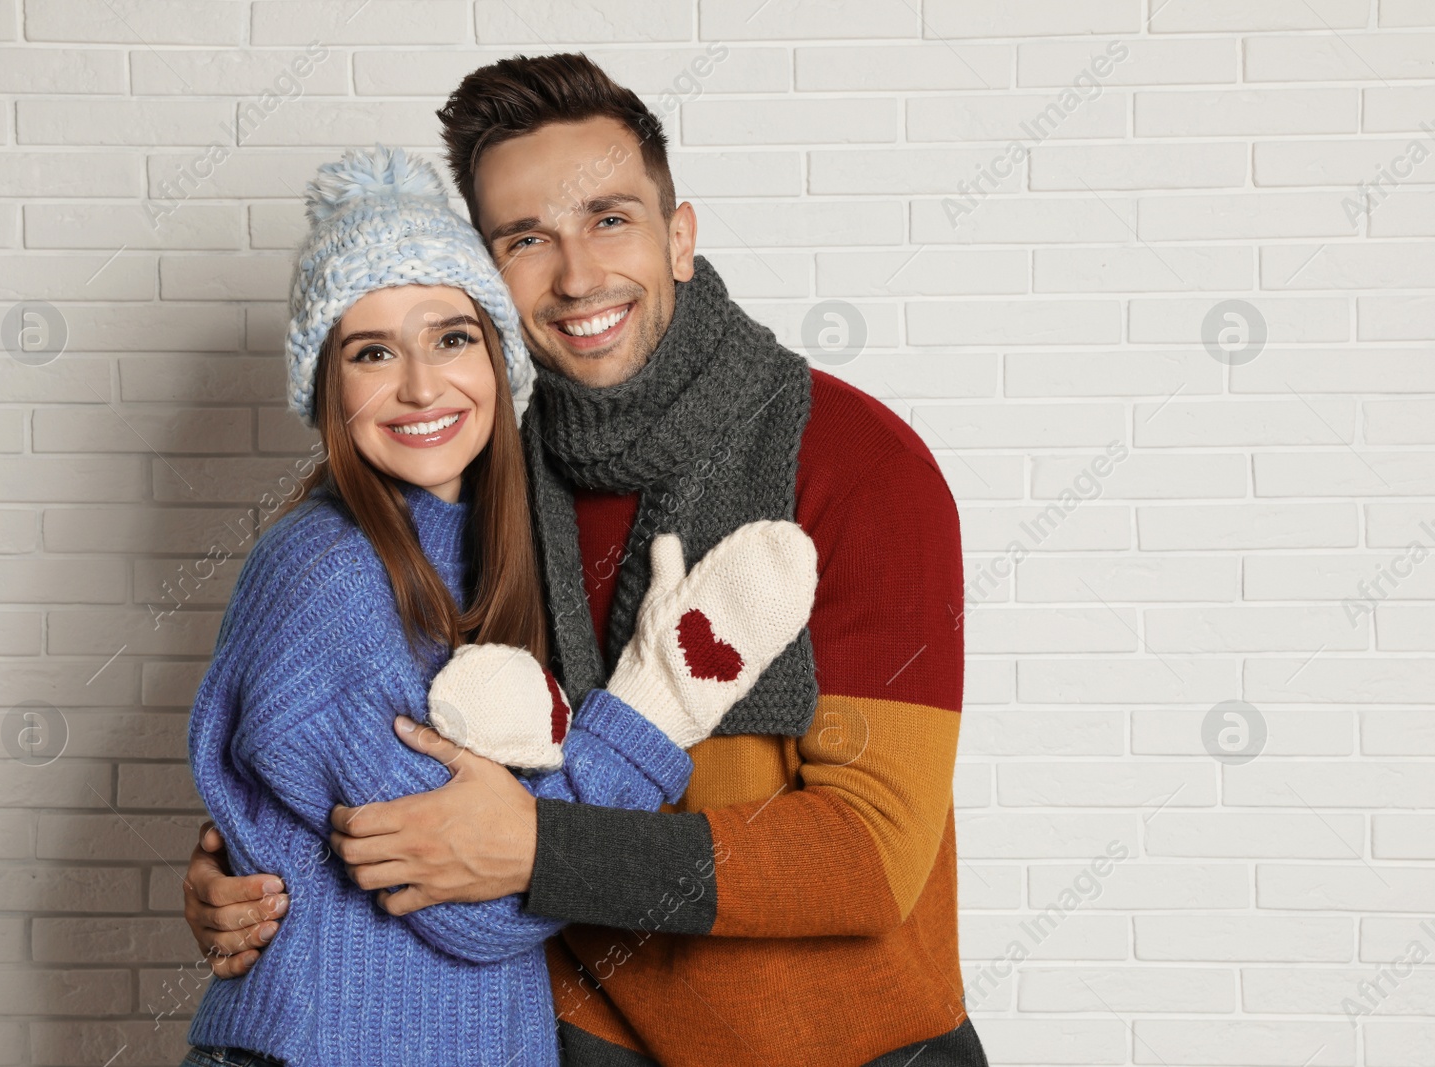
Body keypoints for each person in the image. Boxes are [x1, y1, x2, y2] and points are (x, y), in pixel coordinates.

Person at [185, 54, 987, 1067]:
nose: (575, 275)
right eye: (527, 239)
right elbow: (374, 731)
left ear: (678, 237)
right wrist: (251, 865)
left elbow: (870, 859)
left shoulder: (854, 464)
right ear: (486, 274)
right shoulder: (474, 477)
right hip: (578, 1040)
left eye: (610, 218)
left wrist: (542, 850)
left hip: (849, 1047)